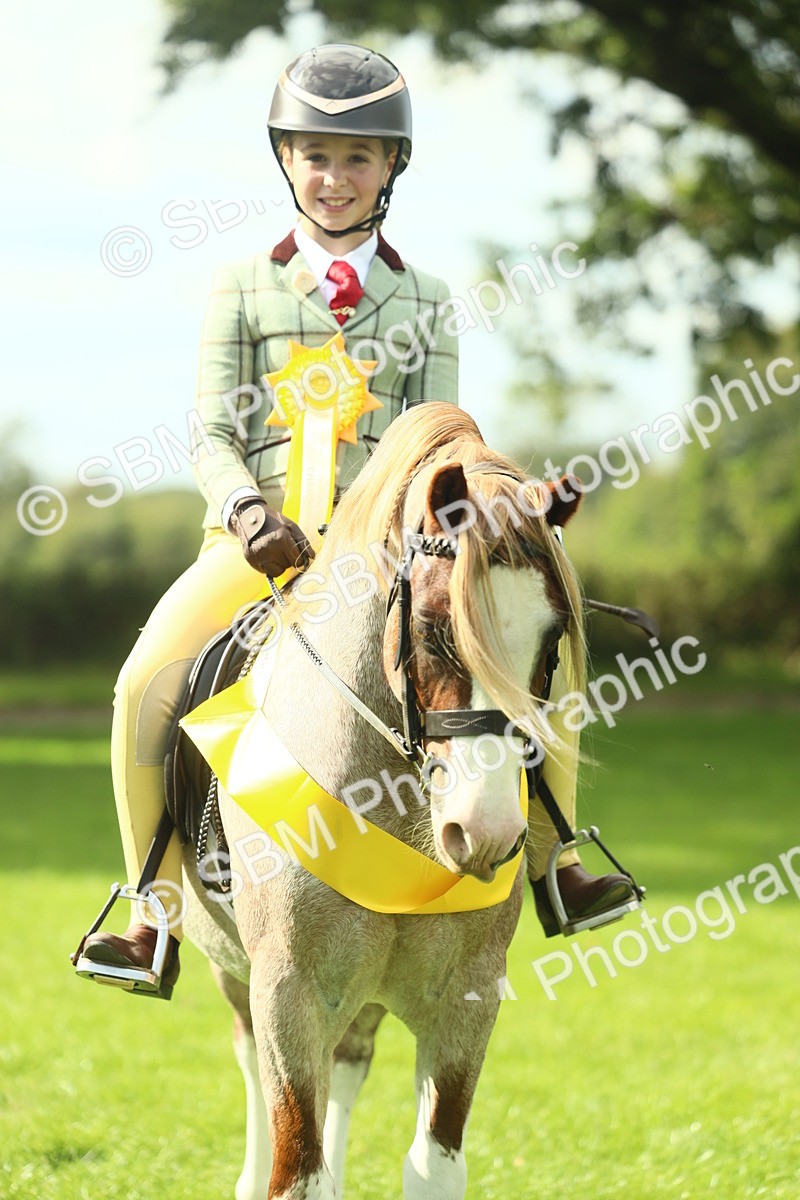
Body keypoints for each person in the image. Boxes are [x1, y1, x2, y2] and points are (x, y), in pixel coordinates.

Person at [74, 43, 635, 1001]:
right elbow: (211, 430)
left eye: (358, 158)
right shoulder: (241, 284)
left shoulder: (426, 300)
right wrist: (248, 511)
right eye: (316, 157)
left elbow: (443, 439)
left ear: (391, 168)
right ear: (286, 161)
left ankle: (559, 861)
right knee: (142, 681)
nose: (334, 177)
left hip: (382, 556)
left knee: (551, 657)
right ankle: (150, 909)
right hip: (253, 545)